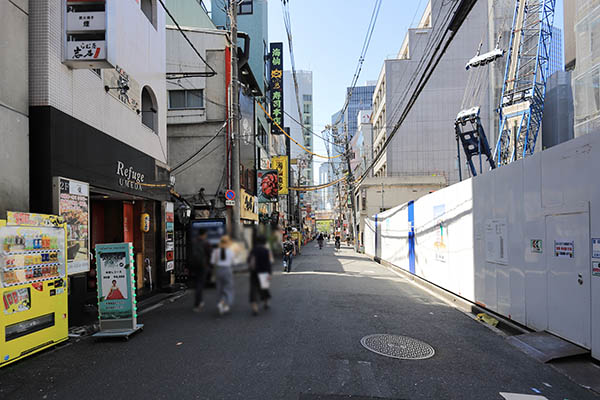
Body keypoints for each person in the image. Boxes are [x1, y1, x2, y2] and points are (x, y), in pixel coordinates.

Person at [248, 235, 273, 315]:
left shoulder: (253, 250)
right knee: (264, 288)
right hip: (264, 272)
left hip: (254, 272)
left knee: (254, 289)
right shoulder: (266, 251)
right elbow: (269, 262)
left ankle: (254, 307)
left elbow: (250, 261)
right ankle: (266, 302)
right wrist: (269, 273)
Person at [211, 236, 235, 315]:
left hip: (218, 270)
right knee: (228, 288)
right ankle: (224, 303)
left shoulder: (216, 251)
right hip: (227, 270)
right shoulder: (230, 251)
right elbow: (233, 262)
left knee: (219, 288)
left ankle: (221, 302)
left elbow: (212, 262)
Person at [189, 229, 210, 312]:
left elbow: (190, 253)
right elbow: (209, 254)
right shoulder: (205, 243)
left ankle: (198, 302)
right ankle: (198, 303)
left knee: (197, 283)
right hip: (203, 265)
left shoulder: (193, 242)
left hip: (194, 265)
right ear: (204, 234)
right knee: (200, 284)